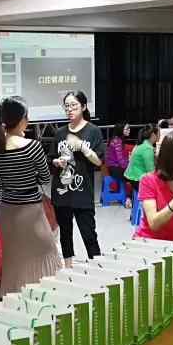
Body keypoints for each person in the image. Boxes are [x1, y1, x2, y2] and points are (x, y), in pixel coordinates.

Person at [0, 97, 61, 295]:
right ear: (22, 120)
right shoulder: (32, 146)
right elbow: (45, 178)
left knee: (15, 260)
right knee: (46, 252)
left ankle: (14, 299)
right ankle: (42, 298)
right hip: (31, 212)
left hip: (7, 211)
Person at [50, 91, 105, 268]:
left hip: (83, 192)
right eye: (67, 106)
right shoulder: (60, 133)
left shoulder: (93, 131)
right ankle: (68, 269)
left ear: (83, 107)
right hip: (62, 192)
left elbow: (99, 161)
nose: (70, 109)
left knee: (89, 234)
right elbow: (51, 159)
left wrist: (82, 147)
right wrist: (57, 161)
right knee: (65, 234)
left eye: (74, 105)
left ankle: (98, 269)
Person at [124, 124, 158, 194]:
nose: (160, 135)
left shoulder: (142, 143)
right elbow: (151, 171)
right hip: (138, 178)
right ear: (153, 135)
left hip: (132, 176)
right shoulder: (147, 148)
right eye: (159, 133)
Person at [105, 123, 131, 207]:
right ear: (121, 130)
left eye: (129, 128)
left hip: (113, 167)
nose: (129, 130)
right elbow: (121, 161)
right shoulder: (117, 141)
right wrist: (129, 164)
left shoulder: (116, 139)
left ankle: (129, 197)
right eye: (127, 129)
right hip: (115, 169)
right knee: (135, 176)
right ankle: (128, 198)